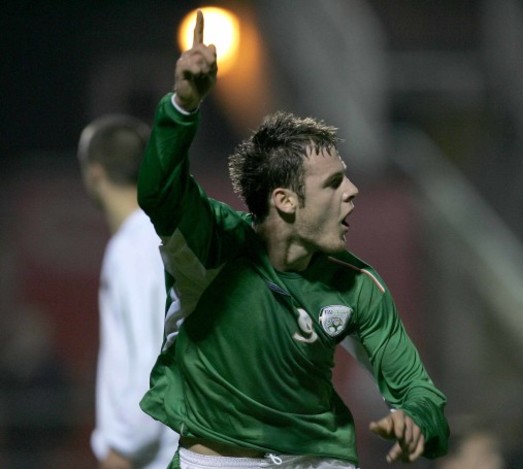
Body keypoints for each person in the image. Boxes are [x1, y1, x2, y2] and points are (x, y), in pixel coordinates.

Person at [138, 10, 449, 469]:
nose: (353, 191)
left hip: (317, 459)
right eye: (333, 183)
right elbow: (159, 192)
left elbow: (418, 392)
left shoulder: (357, 285)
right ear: (285, 200)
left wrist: (418, 420)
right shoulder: (217, 244)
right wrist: (182, 107)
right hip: (220, 460)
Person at [78, 114, 179, 468]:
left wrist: (121, 450)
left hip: (155, 456)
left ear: (94, 173)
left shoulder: (135, 246)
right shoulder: (161, 236)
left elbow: (149, 367)